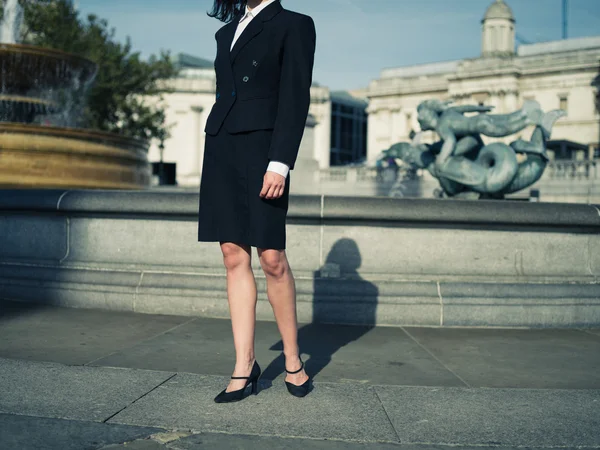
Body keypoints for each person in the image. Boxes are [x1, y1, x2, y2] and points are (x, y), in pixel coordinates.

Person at [198, 0, 316, 403]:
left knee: (271, 257)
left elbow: (295, 96)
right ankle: (243, 364)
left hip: (264, 150)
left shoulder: (294, 25)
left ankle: (293, 359)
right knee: (232, 254)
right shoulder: (224, 32)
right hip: (223, 147)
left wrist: (280, 163)